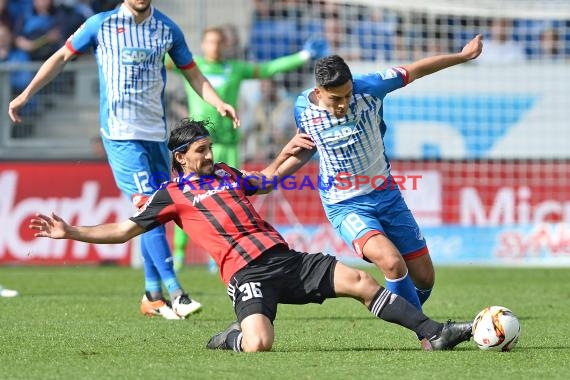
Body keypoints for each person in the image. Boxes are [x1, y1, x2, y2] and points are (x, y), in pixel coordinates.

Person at [29, 118, 473, 352]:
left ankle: (434, 333)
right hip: (245, 274)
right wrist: (71, 232)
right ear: (181, 158)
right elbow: (124, 230)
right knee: (259, 344)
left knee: (363, 282)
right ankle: (232, 336)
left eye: (209, 147)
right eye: (201, 150)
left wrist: (293, 153)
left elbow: (265, 180)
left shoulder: (225, 173)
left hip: (284, 257)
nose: (209, 154)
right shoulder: (168, 195)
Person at [9, 0, 239, 320]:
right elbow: (62, 55)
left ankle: (151, 294)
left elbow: (192, 73)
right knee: (149, 207)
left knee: (160, 212)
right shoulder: (100, 25)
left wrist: (218, 101)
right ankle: (176, 291)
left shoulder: (166, 29)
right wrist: (26, 94)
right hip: (120, 135)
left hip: (156, 135)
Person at [263, 35, 483, 347]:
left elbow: (416, 69)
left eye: (347, 95)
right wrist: (271, 175)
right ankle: (428, 334)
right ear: (317, 92)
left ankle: (410, 317)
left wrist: (461, 57)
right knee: (392, 263)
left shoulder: (371, 87)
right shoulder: (302, 109)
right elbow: (307, 147)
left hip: (386, 194)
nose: (343, 104)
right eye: (334, 99)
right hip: (344, 203)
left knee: (424, 277)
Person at [166, 25, 328, 272]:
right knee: (188, 201)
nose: (214, 47)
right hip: (194, 149)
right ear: (203, 45)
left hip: (228, 145)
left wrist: (303, 56)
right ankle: (178, 257)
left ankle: (216, 257)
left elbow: (268, 69)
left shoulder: (235, 69)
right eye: (209, 42)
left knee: (226, 201)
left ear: (225, 45)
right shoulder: (191, 65)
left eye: (218, 42)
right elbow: (157, 57)